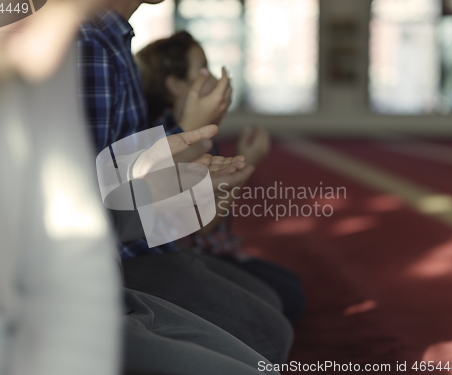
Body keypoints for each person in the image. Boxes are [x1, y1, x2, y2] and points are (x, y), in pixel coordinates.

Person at [77, 0, 293, 363]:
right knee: (268, 338)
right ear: (175, 85)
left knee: (277, 314)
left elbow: (107, 192)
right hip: (93, 275)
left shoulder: (110, 39)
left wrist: (192, 173)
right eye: (202, 69)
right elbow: (88, 202)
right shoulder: (87, 42)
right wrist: (186, 141)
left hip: (120, 251)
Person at [135, 30, 305, 324]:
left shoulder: (200, 133)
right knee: (286, 299)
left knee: (290, 286)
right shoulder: (170, 138)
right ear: (175, 85)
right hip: (192, 255)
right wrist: (245, 165)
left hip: (217, 249)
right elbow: (202, 225)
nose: (215, 78)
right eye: (203, 69)